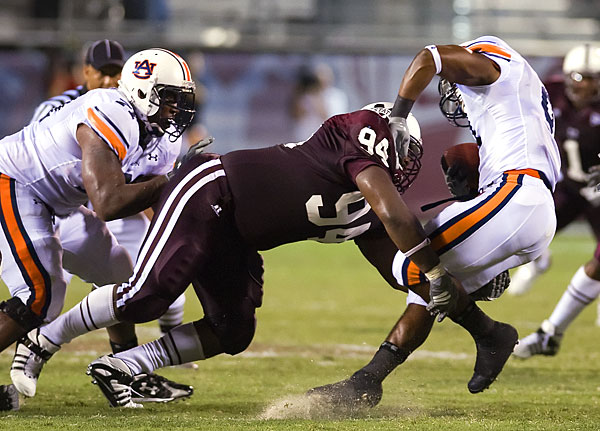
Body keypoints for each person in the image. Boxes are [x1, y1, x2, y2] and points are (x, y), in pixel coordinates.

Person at [6, 101, 466, 409]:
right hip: (208, 191)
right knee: (149, 295)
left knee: (234, 329)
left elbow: (400, 269)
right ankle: (42, 341)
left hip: (238, 234)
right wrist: (436, 269)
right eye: (403, 150)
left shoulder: (367, 211)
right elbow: (399, 218)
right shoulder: (354, 139)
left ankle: (126, 364)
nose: (404, 163)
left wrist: (468, 287)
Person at [308, 35, 561, 408]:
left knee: (416, 264)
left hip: (517, 198)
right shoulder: (521, 96)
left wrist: (398, 113)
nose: (454, 96)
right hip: (528, 207)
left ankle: (490, 333)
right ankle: (367, 381)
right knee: (427, 287)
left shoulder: (494, 66)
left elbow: (430, 57)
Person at [0, 47, 196, 409]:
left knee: (123, 280)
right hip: (15, 182)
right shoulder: (111, 110)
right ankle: (34, 346)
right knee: (40, 294)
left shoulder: (160, 136)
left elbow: (156, 200)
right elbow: (108, 203)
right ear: (142, 91)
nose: (176, 108)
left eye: (180, 98)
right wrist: (172, 179)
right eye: (169, 97)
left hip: (60, 203)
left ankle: (125, 371)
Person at [511, 43, 600, 358]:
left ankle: (550, 333)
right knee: (525, 225)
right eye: (580, 77)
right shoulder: (550, 93)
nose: (586, 85)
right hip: (572, 188)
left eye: (593, 79)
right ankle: (538, 263)